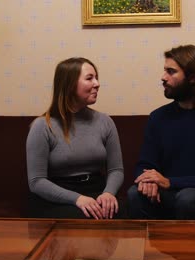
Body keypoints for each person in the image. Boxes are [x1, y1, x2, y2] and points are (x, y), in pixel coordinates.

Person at [127, 44, 195, 220]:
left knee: (187, 198)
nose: (163, 77)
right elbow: (144, 164)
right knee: (135, 193)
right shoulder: (158, 117)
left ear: (192, 78)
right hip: (169, 194)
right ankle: (146, 249)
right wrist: (148, 180)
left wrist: (170, 182)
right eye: (164, 70)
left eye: (171, 72)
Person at [26, 57, 124, 219]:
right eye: (89, 78)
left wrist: (108, 193)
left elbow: (116, 169)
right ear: (69, 85)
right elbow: (36, 181)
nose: (97, 83)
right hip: (57, 196)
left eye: (96, 77)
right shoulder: (42, 126)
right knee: (82, 217)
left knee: (120, 212)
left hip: (96, 190)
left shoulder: (105, 122)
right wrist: (76, 199)